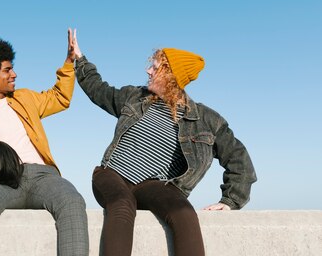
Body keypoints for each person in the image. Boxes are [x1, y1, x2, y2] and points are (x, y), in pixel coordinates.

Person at [70, 30, 257, 256]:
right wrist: (79, 59)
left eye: (155, 67)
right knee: (121, 204)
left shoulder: (207, 120)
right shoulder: (134, 97)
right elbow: (98, 89)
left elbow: (238, 158)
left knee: (185, 213)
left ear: (172, 76)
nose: (148, 70)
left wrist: (230, 200)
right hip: (112, 175)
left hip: (153, 186)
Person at [0, 29, 89, 256]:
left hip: (42, 176)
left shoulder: (24, 98)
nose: (14, 74)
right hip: (1, 181)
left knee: (72, 199)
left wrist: (68, 62)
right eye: (7, 70)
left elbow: (59, 98)